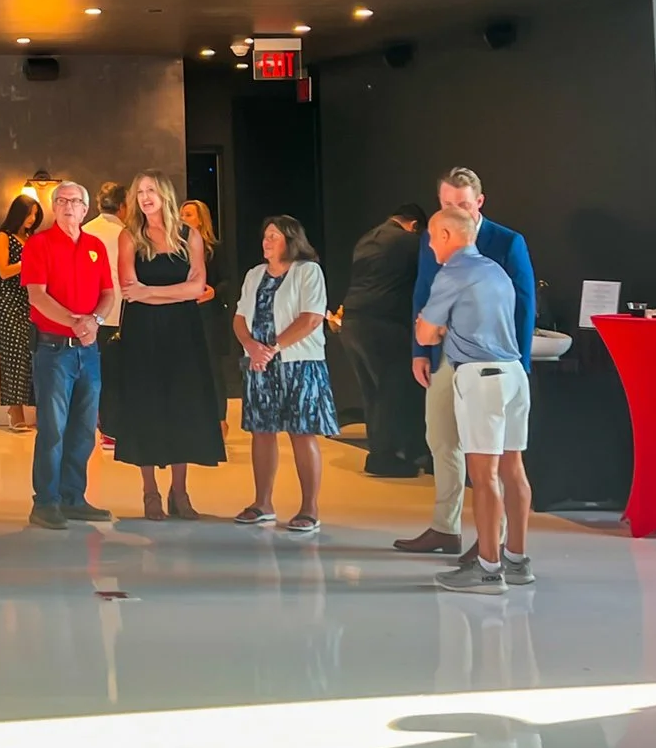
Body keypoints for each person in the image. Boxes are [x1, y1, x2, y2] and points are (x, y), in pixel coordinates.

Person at [395, 168, 538, 558]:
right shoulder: (435, 242)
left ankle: (492, 547)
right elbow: (422, 294)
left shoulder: (506, 243)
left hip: (489, 367)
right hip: (450, 362)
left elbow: (524, 307)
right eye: (445, 205)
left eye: (461, 204)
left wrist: (520, 362)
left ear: (479, 202)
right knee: (443, 440)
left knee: (492, 465)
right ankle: (449, 529)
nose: (452, 213)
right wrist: (420, 351)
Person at [418, 207, 534, 593]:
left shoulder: (452, 273)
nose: (431, 243)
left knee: (483, 477)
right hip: (514, 374)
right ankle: (517, 561)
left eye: (434, 236)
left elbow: (425, 331)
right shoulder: (493, 270)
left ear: (450, 235)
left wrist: (437, 327)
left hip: (480, 377)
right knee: (513, 469)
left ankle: (487, 569)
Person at [108, 171, 223, 519]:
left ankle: (180, 492)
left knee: (181, 405)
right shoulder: (130, 237)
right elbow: (130, 289)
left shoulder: (189, 235)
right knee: (146, 405)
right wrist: (168, 293)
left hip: (182, 332)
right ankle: (150, 493)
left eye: (150, 190)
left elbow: (197, 287)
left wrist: (151, 293)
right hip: (143, 334)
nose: (144, 197)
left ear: (165, 195)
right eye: (139, 191)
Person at [19, 181, 116, 530]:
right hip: (53, 350)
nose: (67, 206)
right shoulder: (39, 245)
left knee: (83, 427)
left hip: (89, 351)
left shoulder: (95, 247)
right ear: (54, 207)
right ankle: (45, 502)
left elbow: (108, 292)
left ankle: (74, 497)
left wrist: (97, 321)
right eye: (60, 201)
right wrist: (75, 323)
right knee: (53, 428)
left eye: (74, 201)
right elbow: (37, 296)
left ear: (85, 208)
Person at [233, 215, 336, 533]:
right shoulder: (254, 275)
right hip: (260, 364)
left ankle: (310, 508)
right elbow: (240, 316)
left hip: (298, 363)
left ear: (291, 240)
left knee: (301, 432)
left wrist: (273, 347)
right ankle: (262, 503)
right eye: (265, 236)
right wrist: (251, 345)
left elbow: (312, 317)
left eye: (274, 236)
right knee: (261, 431)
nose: (266, 242)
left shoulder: (308, 271)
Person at [345, 203, 429, 477]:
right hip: (385, 323)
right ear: (414, 225)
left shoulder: (367, 238)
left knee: (372, 391)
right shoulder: (407, 242)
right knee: (392, 390)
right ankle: (386, 456)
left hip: (353, 320)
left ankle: (383, 450)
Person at [0, 193, 45, 433]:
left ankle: (33, 409)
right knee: (14, 350)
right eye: (28, 214)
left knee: (31, 351)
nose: (32, 219)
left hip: (30, 298)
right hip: (9, 299)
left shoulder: (32, 238)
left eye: (35, 214)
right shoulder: (4, 237)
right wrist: (29, 262)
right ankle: (15, 410)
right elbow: (3, 270)